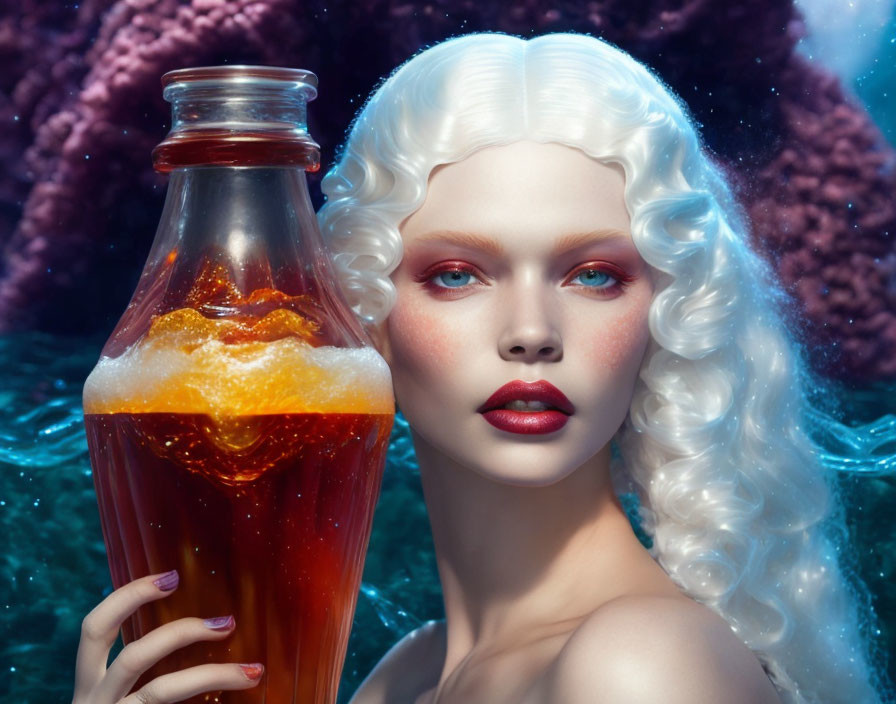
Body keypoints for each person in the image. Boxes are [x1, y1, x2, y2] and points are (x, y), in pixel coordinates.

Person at [73, 33, 887, 703]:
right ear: (362, 311)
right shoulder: (406, 678)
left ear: (670, 316)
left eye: (594, 275)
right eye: (456, 275)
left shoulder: (641, 668)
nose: (531, 333)